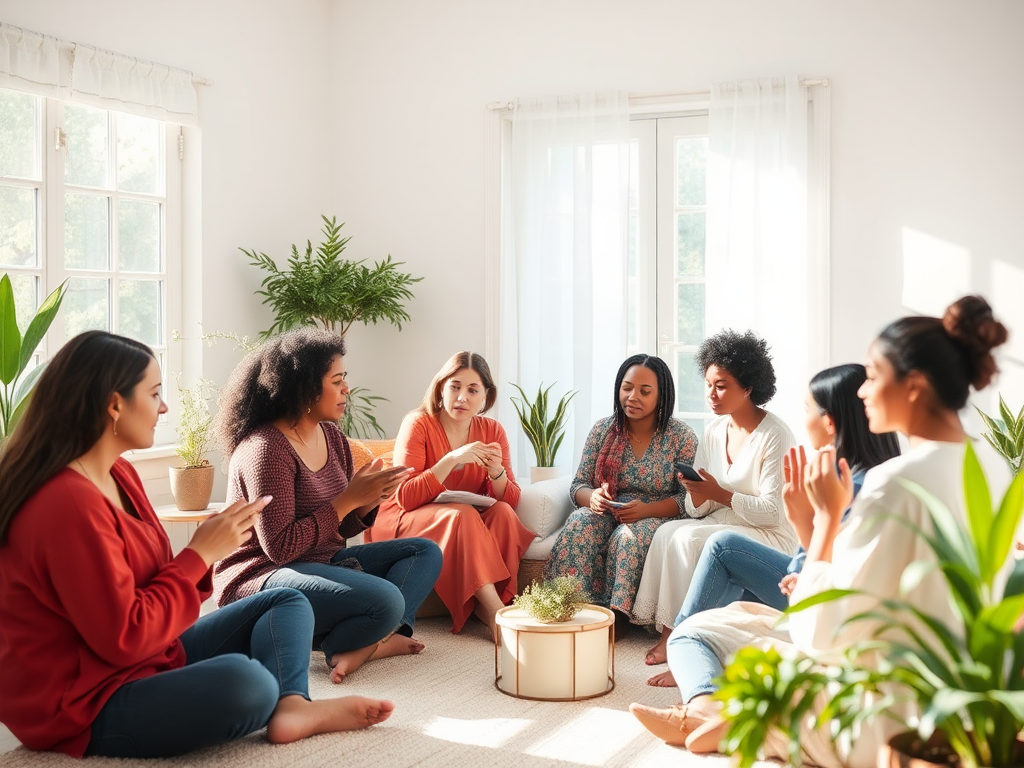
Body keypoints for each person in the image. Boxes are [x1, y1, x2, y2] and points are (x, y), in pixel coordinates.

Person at [629, 296, 1010, 768]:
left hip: (880, 706)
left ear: (912, 386)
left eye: (873, 375)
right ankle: (714, 710)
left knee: (712, 637)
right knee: (704, 623)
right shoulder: (993, 466)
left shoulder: (896, 484)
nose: (863, 391)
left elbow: (822, 635)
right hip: (956, 689)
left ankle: (723, 715)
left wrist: (821, 524)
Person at [0, 331, 395, 759]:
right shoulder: (64, 503)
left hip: (149, 653)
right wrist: (200, 555)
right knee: (248, 683)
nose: (164, 407)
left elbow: (151, 588)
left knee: (287, 601)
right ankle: (276, 697)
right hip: (87, 697)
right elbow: (123, 636)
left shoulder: (119, 475)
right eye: (154, 394)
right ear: (114, 405)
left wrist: (206, 551)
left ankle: (293, 705)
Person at [645, 363, 900, 686]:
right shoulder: (841, 472)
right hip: (809, 582)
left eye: (807, 408)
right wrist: (800, 558)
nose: (802, 417)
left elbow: (847, 567)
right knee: (711, 549)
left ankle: (691, 668)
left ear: (829, 422)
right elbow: (820, 549)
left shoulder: (856, 484)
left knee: (721, 549)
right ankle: (694, 667)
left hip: (828, 604)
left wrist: (801, 541)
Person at [213, 328, 443, 683]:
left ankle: (365, 642)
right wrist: (347, 499)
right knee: (386, 601)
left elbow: (342, 529)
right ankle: (362, 642)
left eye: (344, 379)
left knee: (424, 552)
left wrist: (367, 502)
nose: (346, 389)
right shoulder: (266, 450)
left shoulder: (331, 435)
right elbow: (280, 547)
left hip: (320, 561)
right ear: (304, 388)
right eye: (337, 381)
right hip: (260, 575)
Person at [632, 329, 798, 664]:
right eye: (708, 384)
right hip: (723, 521)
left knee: (690, 540)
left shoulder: (775, 435)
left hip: (766, 535)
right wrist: (697, 491)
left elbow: (772, 513)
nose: (711, 394)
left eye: (721, 385)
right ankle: (665, 625)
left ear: (748, 387)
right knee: (667, 532)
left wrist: (719, 493)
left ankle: (674, 635)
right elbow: (698, 511)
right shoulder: (714, 430)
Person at [365, 352, 536, 638]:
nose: (462, 397)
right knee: (463, 514)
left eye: (472, 390)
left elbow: (511, 502)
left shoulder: (492, 431)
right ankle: (496, 614)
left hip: (456, 518)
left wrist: (497, 473)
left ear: (485, 396)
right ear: (441, 387)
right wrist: (451, 460)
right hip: (405, 518)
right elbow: (405, 496)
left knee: (503, 514)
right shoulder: (418, 423)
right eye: (455, 386)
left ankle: (492, 603)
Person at [543, 355, 698, 635]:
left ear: (662, 395)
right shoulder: (603, 430)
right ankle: (569, 607)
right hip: (606, 510)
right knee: (580, 523)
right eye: (626, 388)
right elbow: (577, 484)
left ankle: (616, 619)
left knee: (627, 537)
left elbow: (689, 500)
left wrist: (646, 511)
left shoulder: (681, 437)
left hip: (654, 515)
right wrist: (591, 498)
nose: (632, 396)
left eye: (645, 391)